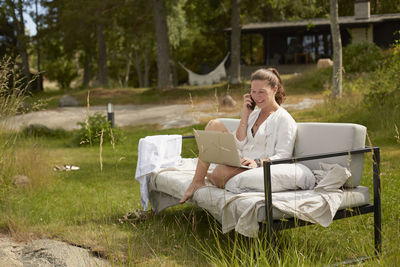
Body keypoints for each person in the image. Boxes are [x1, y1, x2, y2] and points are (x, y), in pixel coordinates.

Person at [179, 68, 297, 203]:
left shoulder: (284, 119)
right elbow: (239, 142)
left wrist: (257, 162)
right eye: (253, 92)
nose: (257, 97)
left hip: (255, 165)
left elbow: (284, 156)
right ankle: (197, 181)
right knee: (213, 124)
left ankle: (207, 175)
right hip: (240, 159)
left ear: (274, 89)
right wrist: (245, 115)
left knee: (219, 174)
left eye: (262, 92)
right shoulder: (254, 114)